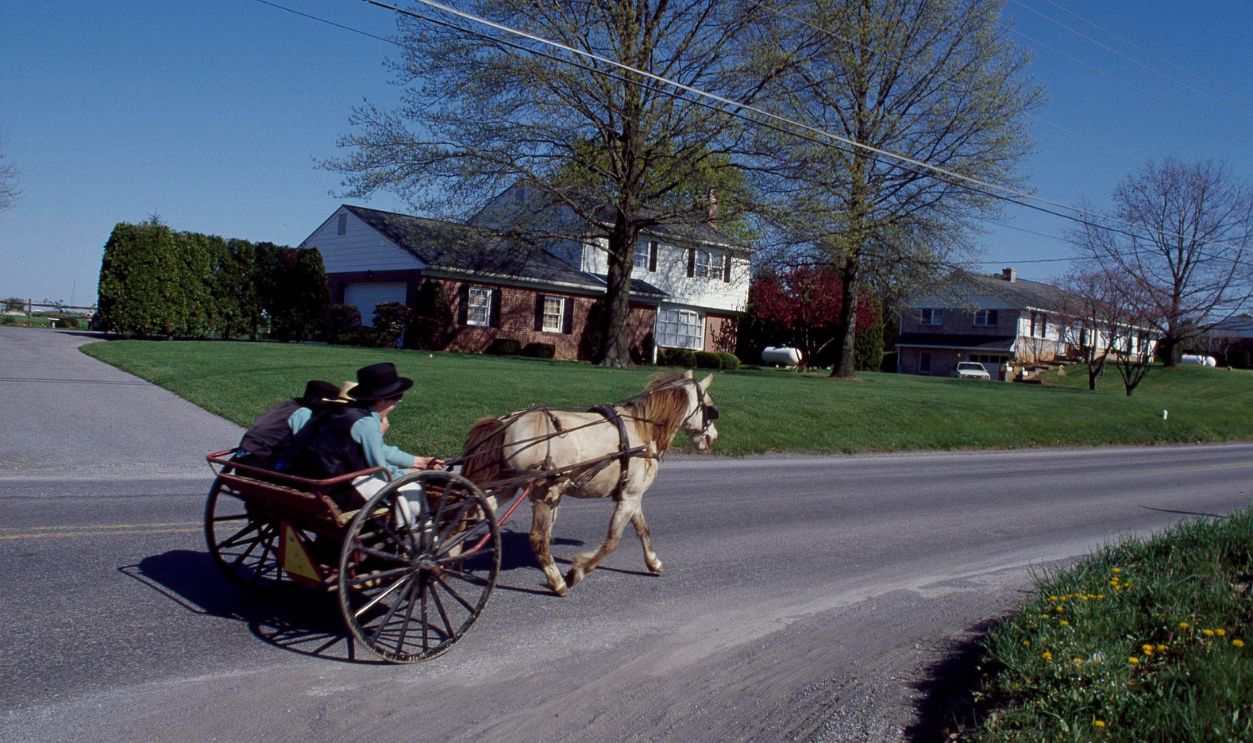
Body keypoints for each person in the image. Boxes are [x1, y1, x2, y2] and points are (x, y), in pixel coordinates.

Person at [287, 363, 442, 505]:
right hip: (336, 491)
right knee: (413, 490)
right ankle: (419, 530)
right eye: (396, 399)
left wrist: (417, 461)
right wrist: (410, 473)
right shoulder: (366, 423)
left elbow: (379, 448)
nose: (396, 404)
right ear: (380, 400)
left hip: (308, 480)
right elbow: (381, 471)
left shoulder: (343, 411)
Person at [233, 379, 340, 469]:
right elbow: (303, 442)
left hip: (244, 455)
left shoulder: (286, 405)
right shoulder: (304, 412)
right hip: (261, 461)